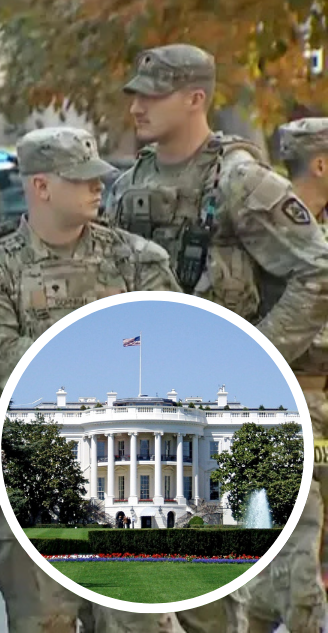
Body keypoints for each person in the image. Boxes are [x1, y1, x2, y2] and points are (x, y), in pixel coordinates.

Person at [108, 43, 328, 633]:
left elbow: (318, 270)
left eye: (153, 95)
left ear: (195, 98)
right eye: (135, 93)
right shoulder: (127, 185)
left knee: (211, 595)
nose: (137, 106)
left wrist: (258, 357)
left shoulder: (240, 181)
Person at [0, 126, 181, 633]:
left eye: (98, 178)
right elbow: (2, 362)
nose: (97, 187)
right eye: (80, 179)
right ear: (40, 187)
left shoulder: (136, 259)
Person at [234, 115, 328, 633]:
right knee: (296, 556)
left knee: (278, 571)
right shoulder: (266, 242)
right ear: (319, 163)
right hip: (279, 409)